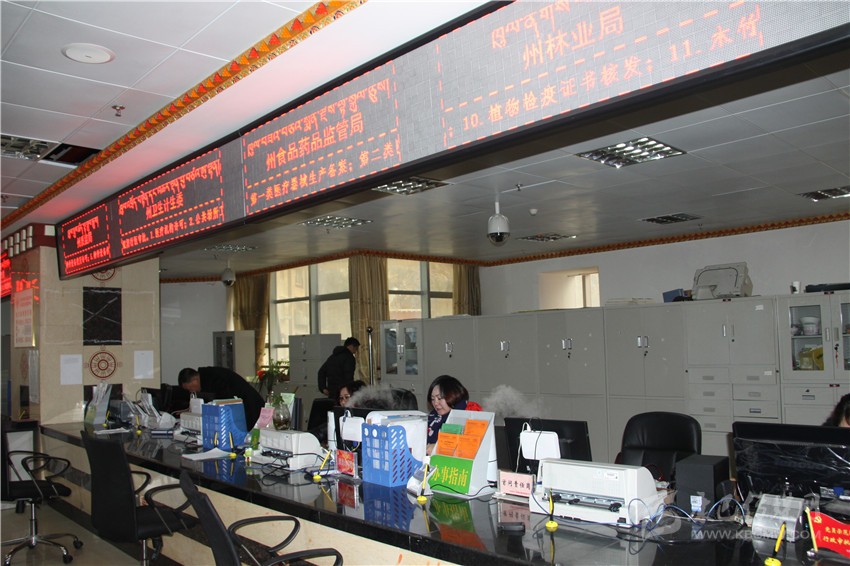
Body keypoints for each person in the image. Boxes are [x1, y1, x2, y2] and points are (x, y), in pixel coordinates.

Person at [178, 367, 265, 428]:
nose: (191, 391)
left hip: (251, 407)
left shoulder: (214, 378)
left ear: (195, 381)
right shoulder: (207, 376)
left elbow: (223, 403)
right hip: (245, 407)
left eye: (189, 388)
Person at [426, 375, 481, 455]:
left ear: (453, 395)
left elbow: (470, 446)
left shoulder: (469, 412)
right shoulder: (433, 416)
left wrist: (437, 447)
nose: (436, 403)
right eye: (433, 399)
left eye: (439, 398)